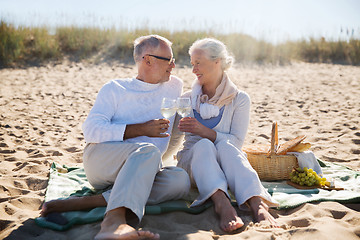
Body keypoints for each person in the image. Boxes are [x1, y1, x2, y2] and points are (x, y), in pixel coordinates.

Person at [41, 35, 190, 240]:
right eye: (169, 60)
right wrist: (140, 129)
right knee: (147, 150)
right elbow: (91, 129)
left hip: (143, 166)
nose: (173, 65)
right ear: (148, 60)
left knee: (180, 180)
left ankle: (90, 202)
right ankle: (113, 222)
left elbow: (172, 131)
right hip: (102, 162)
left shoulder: (174, 86)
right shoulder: (115, 88)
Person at [176, 38, 279, 232]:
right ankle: (222, 203)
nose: (193, 69)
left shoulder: (239, 99)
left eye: (198, 63)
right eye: (192, 64)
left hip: (226, 162)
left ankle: (257, 203)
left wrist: (204, 131)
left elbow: (237, 143)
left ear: (218, 61)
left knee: (225, 146)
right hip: (193, 163)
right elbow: (173, 138)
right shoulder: (186, 98)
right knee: (204, 145)